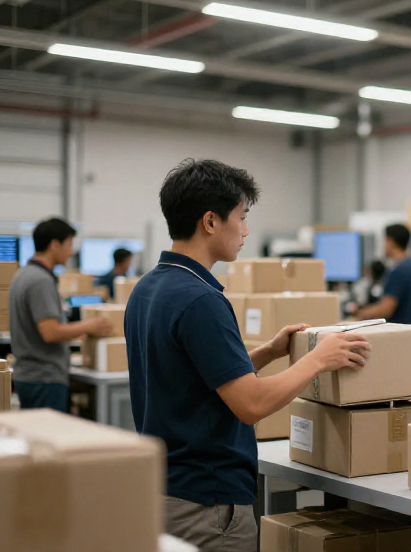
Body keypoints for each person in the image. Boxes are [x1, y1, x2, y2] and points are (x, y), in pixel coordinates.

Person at [125, 158, 372, 552]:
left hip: (168, 490)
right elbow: (251, 405)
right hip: (208, 505)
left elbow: (192, 377)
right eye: (241, 217)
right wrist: (319, 359)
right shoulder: (201, 300)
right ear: (210, 221)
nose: (245, 230)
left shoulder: (150, 288)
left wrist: (269, 353)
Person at [9, 217, 114, 412]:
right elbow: (50, 332)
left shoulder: (22, 274)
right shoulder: (40, 280)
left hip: (28, 375)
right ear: (55, 245)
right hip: (44, 378)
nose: (71, 251)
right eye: (69, 244)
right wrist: (90, 326)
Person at [354, 224, 411, 324]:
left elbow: (386, 309)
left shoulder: (399, 271)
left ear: (390, 241)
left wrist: (361, 314)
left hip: (400, 333)